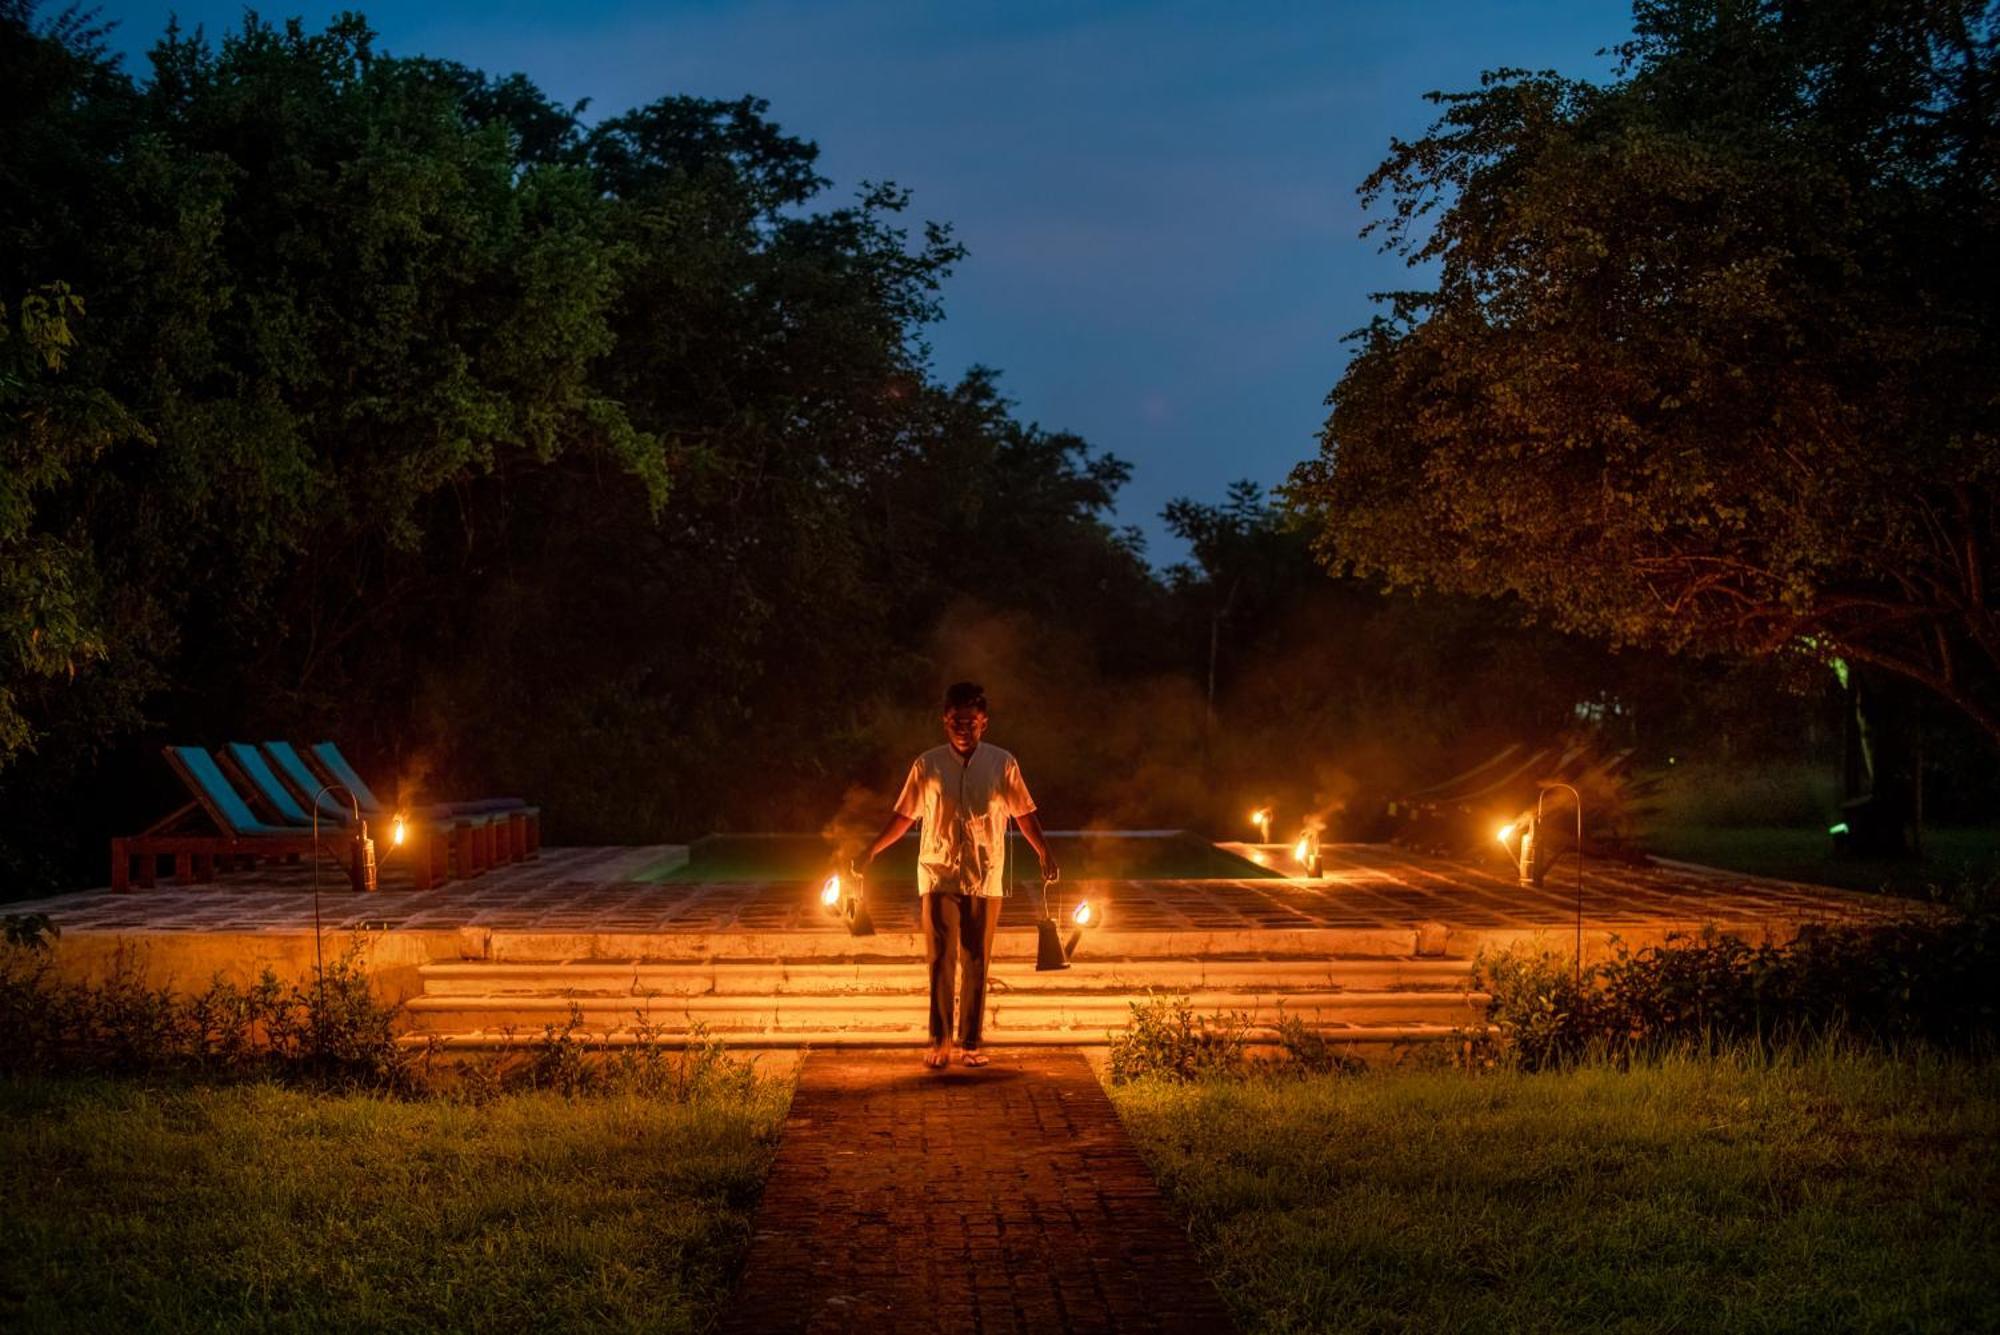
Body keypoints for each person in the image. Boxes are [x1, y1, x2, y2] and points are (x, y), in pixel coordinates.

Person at [856, 681, 1056, 1068]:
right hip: (937, 872)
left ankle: (970, 1043)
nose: (963, 728)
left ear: (984, 723)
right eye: (955, 722)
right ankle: (939, 1040)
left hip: (985, 873)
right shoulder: (927, 765)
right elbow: (904, 814)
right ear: (945, 722)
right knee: (941, 958)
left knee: (976, 959)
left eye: (970, 722)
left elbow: (1023, 813)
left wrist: (1044, 850)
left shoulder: (1002, 763)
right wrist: (872, 849)